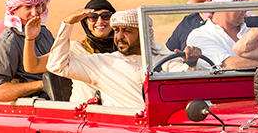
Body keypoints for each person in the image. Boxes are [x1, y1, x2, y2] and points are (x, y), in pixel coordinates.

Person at [44, 9, 189, 109]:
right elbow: (56, 65)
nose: (119, 37)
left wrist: (192, 61)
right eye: (116, 31)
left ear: (144, 34)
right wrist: (67, 24)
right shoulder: (103, 64)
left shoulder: (164, 60)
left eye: (126, 31)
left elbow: (187, 78)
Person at [25, 0, 117, 103]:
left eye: (106, 16)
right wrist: (30, 39)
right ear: (85, 22)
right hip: (84, 112)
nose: (100, 21)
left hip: (117, 112)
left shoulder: (125, 50)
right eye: (93, 17)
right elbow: (33, 66)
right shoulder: (75, 50)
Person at [0, 0, 57, 103]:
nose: (35, 13)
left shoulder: (45, 34)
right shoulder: (8, 42)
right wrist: (42, 84)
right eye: (28, 7)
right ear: (15, 10)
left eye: (38, 6)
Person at [184, 0, 254, 68]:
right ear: (221, 6)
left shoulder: (251, 29)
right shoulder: (200, 36)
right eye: (239, 5)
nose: (245, 10)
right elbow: (228, 65)